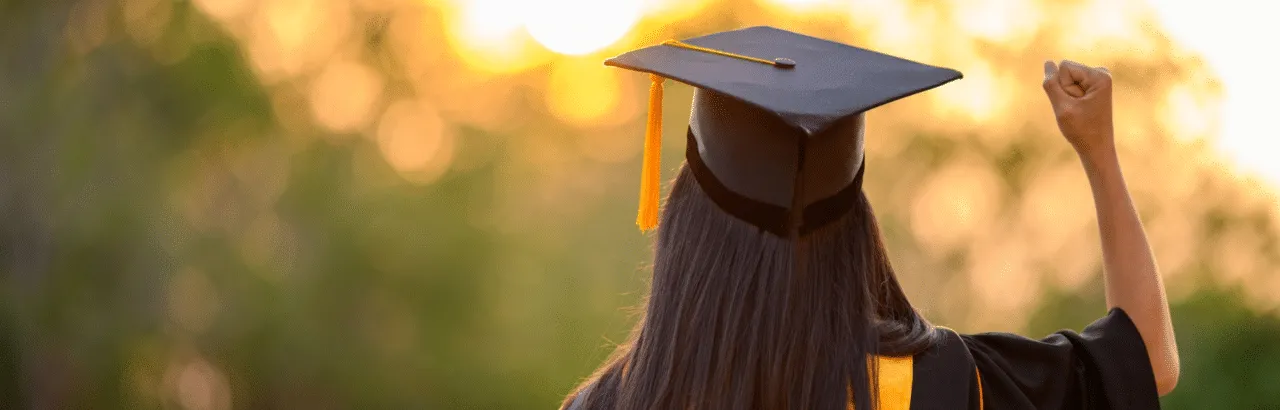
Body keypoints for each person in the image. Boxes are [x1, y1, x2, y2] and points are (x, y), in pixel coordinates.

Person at [562, 26, 1179, 410]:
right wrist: (1099, 153)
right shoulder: (945, 384)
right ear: (857, 226)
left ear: (686, 226)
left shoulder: (605, 404)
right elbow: (1146, 362)